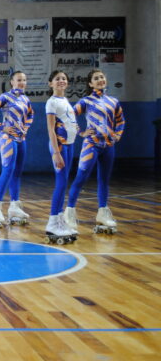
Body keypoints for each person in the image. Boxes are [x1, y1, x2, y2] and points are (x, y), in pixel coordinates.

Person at [64, 69, 125, 235]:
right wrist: (81, 132)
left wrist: (118, 135)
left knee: (104, 180)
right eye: (96, 78)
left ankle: (103, 213)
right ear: (90, 83)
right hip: (91, 145)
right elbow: (69, 115)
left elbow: (120, 120)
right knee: (81, 177)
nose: (100, 80)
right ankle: (69, 213)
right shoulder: (86, 101)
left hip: (109, 146)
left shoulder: (113, 101)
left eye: (102, 77)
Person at [0, 71, 34, 226]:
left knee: (17, 173)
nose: (22, 82)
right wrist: (1, 127)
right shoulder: (5, 97)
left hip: (22, 139)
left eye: (24, 80)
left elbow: (31, 115)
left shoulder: (26, 99)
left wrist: (26, 128)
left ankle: (14, 206)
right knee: (8, 170)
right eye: (19, 80)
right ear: (12, 82)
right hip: (7, 139)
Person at [44, 70, 79, 243]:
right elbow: (51, 129)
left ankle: (59, 219)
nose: (61, 81)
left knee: (64, 182)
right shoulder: (51, 102)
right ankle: (52, 221)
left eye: (64, 78)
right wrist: (56, 152)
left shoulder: (65, 100)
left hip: (69, 145)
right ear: (51, 84)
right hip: (59, 146)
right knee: (60, 183)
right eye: (57, 79)